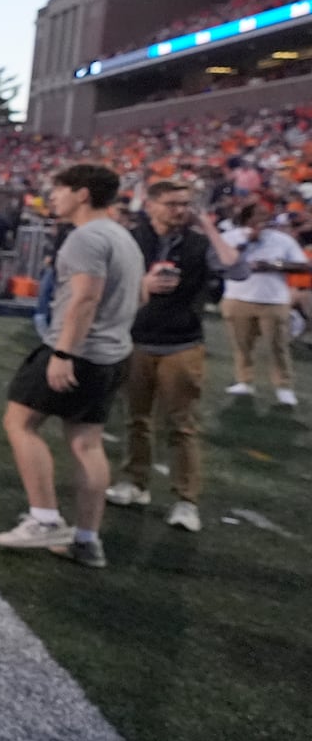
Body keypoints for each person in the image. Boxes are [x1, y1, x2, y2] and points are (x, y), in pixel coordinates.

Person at [0, 164, 144, 569]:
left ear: (82, 193)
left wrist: (64, 352)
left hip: (79, 350)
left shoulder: (87, 237)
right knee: (86, 443)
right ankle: (87, 539)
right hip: (112, 353)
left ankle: (44, 518)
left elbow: (85, 298)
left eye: (58, 190)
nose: (52, 198)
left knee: (19, 422)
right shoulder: (121, 235)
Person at [105, 179, 243, 532]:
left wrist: (208, 226)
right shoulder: (132, 238)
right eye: (171, 203)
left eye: (185, 204)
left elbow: (237, 269)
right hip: (136, 338)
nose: (180, 210)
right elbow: (109, 286)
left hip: (182, 342)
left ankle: (186, 500)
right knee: (136, 419)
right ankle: (134, 482)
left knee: (182, 425)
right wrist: (144, 288)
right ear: (150, 205)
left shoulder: (198, 242)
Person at [219, 202, 308, 407]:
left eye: (266, 215)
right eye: (258, 214)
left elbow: (303, 265)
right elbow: (222, 261)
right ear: (246, 216)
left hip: (273, 299)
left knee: (278, 346)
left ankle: (283, 386)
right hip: (238, 297)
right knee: (241, 344)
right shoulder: (231, 237)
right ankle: (244, 381)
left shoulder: (282, 240)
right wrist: (245, 244)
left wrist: (273, 265)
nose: (263, 219)